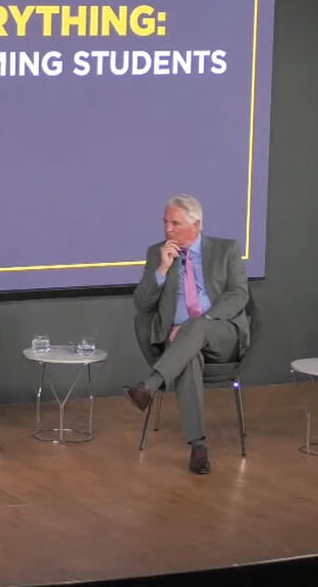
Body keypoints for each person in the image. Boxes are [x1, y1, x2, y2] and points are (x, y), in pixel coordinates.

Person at [124, 195, 249, 475]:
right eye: (165, 222)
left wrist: (202, 320)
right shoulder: (157, 252)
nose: (168, 229)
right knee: (188, 360)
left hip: (221, 334)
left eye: (176, 223)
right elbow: (142, 305)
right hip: (179, 343)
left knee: (195, 326)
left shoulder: (226, 249)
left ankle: (150, 385)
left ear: (196, 224)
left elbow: (239, 294)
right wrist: (162, 269)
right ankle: (199, 447)